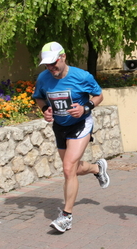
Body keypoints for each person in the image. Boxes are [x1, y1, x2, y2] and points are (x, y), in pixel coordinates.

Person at [33, 41, 110, 233]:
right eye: (47, 65)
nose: (51, 68)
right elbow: (38, 97)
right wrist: (45, 109)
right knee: (72, 169)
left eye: (54, 63)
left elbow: (98, 95)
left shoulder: (82, 76)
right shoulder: (43, 78)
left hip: (81, 124)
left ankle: (66, 217)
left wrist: (85, 108)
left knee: (68, 169)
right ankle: (96, 168)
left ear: (63, 56)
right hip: (60, 126)